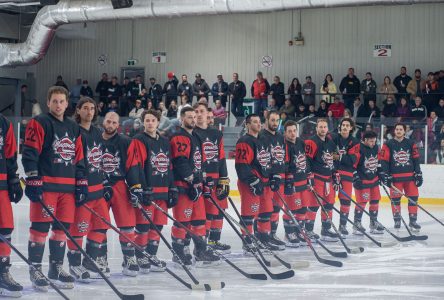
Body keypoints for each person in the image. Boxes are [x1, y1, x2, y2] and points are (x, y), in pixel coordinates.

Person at [23, 86, 87, 291]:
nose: (58, 105)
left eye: (62, 101)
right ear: (48, 102)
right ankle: (35, 269)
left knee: (62, 229)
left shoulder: (73, 127)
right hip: (46, 186)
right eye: (55, 101)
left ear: (67, 104)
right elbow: (30, 152)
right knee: (40, 229)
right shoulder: (39, 122)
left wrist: (81, 182)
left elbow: (79, 158)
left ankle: (56, 268)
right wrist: (33, 177)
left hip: (67, 188)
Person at [169, 107, 220, 266]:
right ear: (182, 119)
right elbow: (180, 161)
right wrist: (192, 180)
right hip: (184, 186)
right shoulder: (179, 137)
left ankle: (200, 250)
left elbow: (201, 162)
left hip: (196, 186)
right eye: (189, 117)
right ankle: (179, 252)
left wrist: (204, 180)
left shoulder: (196, 137)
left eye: (195, 116)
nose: (193, 119)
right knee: (183, 221)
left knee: (199, 220)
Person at [67, 98, 111, 281]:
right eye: (85, 108)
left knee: (102, 224)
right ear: (78, 110)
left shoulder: (97, 132)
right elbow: (76, 160)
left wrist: (106, 180)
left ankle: (89, 260)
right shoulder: (74, 130)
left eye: (92, 108)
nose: (89, 112)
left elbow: (99, 159)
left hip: (98, 187)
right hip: (82, 187)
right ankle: (74, 264)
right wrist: (79, 182)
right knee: (79, 228)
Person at [132, 109, 176, 272]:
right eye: (147, 120)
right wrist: (142, 188)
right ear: (143, 122)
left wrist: (172, 187)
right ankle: (141, 255)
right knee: (143, 226)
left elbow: (169, 166)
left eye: (153, 120)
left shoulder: (165, 141)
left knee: (157, 226)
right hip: (148, 192)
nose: (150, 123)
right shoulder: (139, 140)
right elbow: (137, 166)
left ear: (158, 122)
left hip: (162, 191)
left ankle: (152, 254)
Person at [101, 112, 143, 276]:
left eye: (114, 123)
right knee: (99, 224)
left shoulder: (126, 141)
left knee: (127, 224)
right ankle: (99, 257)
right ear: (103, 121)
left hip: (119, 184)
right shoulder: (94, 139)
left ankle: (129, 257)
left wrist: (135, 187)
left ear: (118, 125)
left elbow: (133, 165)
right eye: (108, 121)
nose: (110, 125)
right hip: (99, 185)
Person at [235, 114, 277, 253]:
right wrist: (252, 180)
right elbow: (242, 165)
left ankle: (263, 239)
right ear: (247, 124)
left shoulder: (264, 140)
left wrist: (273, 176)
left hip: (264, 183)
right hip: (250, 184)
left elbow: (269, 160)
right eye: (254, 122)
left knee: (266, 212)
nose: (258, 124)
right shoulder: (244, 141)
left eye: (259, 122)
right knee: (249, 214)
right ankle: (247, 242)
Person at [193, 103, 231, 253]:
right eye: (196, 112)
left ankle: (214, 241)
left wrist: (224, 178)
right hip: (202, 179)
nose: (199, 114)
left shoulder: (216, 134)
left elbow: (221, 157)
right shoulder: (192, 133)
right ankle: (203, 246)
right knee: (206, 214)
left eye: (202, 111)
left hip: (216, 177)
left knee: (219, 210)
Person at [379, 123, 423, 231]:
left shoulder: (411, 143)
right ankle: (397, 220)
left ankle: (413, 221)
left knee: (413, 198)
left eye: (401, 129)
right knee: (395, 200)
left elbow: (416, 159)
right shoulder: (388, 144)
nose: (398, 131)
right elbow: (384, 161)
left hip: (410, 178)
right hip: (395, 178)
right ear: (394, 131)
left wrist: (418, 173)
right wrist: (387, 175)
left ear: (404, 131)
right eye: (397, 129)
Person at [304, 118, 339, 241]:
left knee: (329, 204)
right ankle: (308, 230)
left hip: (328, 179)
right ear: (316, 128)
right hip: (317, 178)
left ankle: (326, 229)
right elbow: (306, 160)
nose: (323, 129)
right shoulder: (311, 142)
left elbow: (332, 160)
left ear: (327, 129)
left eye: (324, 127)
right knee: (314, 205)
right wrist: (309, 176)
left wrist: (335, 174)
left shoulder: (330, 142)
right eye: (320, 127)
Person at [0, 113, 23, 296]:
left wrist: (14, 179)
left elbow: (10, 154)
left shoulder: (4, 123)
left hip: (1, 185)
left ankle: (2, 273)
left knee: (5, 228)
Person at [259, 111, 287, 250]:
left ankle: (272, 234)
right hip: (268, 179)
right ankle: (262, 236)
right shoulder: (262, 136)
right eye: (273, 120)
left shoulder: (281, 137)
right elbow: (262, 159)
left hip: (279, 178)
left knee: (276, 208)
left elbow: (283, 158)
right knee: (265, 209)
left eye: (277, 120)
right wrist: (271, 175)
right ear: (267, 120)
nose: (275, 123)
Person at [349, 130, 384, 234]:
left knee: (375, 201)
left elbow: (379, 162)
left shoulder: (376, 147)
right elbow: (352, 164)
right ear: (364, 140)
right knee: (362, 202)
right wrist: (355, 177)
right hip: (362, 180)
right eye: (371, 141)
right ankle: (357, 224)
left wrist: (381, 173)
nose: (373, 143)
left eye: (374, 141)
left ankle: (373, 223)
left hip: (374, 179)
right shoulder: (358, 148)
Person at [282, 120, 310, 247]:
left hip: (303, 179)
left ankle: (299, 231)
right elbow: (284, 164)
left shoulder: (301, 142)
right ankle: (289, 233)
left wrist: (310, 176)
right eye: (290, 131)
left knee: (303, 208)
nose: (293, 134)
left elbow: (306, 160)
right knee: (292, 208)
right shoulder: (284, 145)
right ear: (285, 133)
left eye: (294, 131)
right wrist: (288, 179)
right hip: (292, 182)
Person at [330, 118, 359, 237]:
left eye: (347, 125)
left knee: (346, 202)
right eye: (343, 125)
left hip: (347, 174)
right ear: (340, 126)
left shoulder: (355, 141)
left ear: (351, 128)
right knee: (328, 202)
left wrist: (339, 157)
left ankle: (342, 225)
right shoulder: (332, 137)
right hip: (331, 172)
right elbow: (328, 154)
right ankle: (326, 227)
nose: (345, 127)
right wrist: (342, 157)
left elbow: (352, 160)